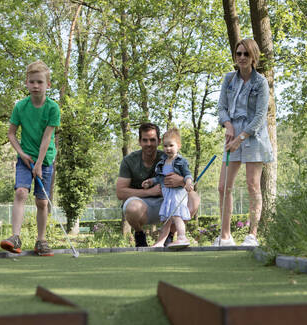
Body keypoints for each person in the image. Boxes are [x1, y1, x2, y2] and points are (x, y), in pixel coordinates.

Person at [213, 38, 273, 247]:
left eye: (246, 54)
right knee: (223, 187)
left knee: (252, 185)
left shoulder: (260, 82)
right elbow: (221, 107)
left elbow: (259, 116)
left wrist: (241, 137)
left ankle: (252, 235)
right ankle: (225, 236)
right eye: (238, 54)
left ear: (253, 56)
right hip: (232, 136)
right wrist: (228, 125)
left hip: (253, 138)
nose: (241, 58)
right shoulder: (229, 79)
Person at [0, 60, 60, 256]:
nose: (36, 86)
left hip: (46, 159)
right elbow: (11, 134)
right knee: (20, 193)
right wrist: (22, 154)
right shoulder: (20, 107)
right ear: (26, 83)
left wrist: (40, 163)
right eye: (32, 82)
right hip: (24, 158)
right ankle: (15, 237)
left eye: (40, 82)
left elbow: (47, 138)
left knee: (42, 202)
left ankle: (41, 240)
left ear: (48, 85)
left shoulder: (53, 108)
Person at [116, 122, 200, 247]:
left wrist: (181, 181)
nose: (148, 144)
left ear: (159, 141)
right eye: (145, 140)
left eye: (152, 140)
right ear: (139, 141)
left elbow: (187, 180)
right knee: (132, 207)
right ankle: (140, 236)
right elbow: (120, 192)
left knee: (194, 198)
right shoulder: (129, 160)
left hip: (168, 200)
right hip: (144, 206)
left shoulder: (171, 156)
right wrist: (150, 190)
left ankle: (170, 237)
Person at [142, 128, 193, 248]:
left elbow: (187, 175)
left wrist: (188, 182)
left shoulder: (180, 161)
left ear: (178, 146)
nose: (168, 149)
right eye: (165, 146)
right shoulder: (162, 163)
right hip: (167, 195)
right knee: (166, 219)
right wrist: (150, 182)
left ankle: (182, 237)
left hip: (176, 195)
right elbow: (160, 178)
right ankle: (160, 242)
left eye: (171, 145)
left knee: (176, 215)